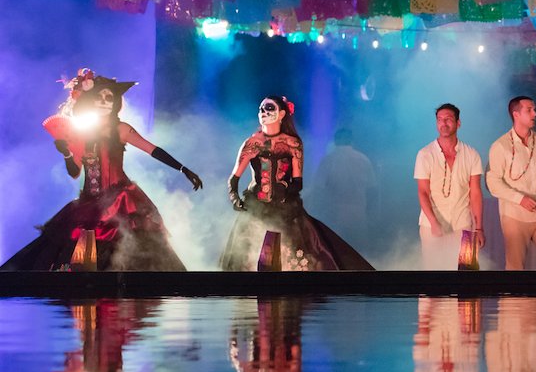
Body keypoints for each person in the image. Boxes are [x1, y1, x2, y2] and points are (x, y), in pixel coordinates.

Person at [2, 69, 202, 271]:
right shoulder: (81, 133)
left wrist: (183, 169)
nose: (105, 101)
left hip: (121, 199)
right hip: (89, 202)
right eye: (99, 97)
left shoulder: (121, 129)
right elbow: (75, 172)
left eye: (109, 97)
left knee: (128, 240)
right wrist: (66, 153)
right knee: (72, 242)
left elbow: (152, 149)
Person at [220, 96, 372, 270]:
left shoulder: (293, 143)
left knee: (299, 257)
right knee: (246, 259)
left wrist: (287, 198)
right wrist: (234, 198)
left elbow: (298, 181)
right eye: (261, 109)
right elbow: (234, 178)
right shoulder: (252, 143)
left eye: (269, 108)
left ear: (282, 113)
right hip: (255, 207)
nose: (263, 112)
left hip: (286, 209)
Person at [486, 96, 536, 271]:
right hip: (515, 215)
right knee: (515, 267)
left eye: (534, 109)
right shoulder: (500, 146)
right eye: (529, 110)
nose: (535, 113)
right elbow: (493, 182)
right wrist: (520, 199)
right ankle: (514, 299)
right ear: (516, 114)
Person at [415, 103, 485, 270]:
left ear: (458, 123)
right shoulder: (425, 154)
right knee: (433, 278)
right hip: (431, 226)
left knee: (468, 276)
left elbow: (475, 193)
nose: (443, 123)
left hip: (464, 224)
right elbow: (423, 192)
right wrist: (434, 222)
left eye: (448, 119)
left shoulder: (471, 154)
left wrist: (479, 227)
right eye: (439, 120)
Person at [312, 128, 375, 243]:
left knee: (337, 250)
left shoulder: (328, 160)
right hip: (358, 212)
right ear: (351, 140)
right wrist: (369, 213)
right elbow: (371, 190)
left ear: (335, 141)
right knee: (360, 250)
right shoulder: (364, 159)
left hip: (335, 213)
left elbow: (318, 189)